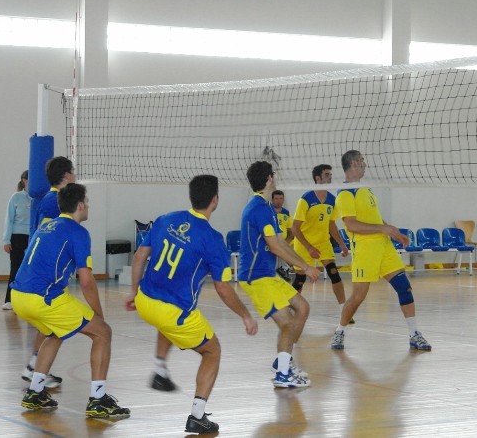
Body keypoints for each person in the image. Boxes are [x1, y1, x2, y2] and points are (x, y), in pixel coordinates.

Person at [124, 174, 258, 433]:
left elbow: (140, 256)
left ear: (191, 196)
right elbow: (223, 288)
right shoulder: (213, 239)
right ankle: (197, 416)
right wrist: (245, 315)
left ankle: (160, 371)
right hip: (173, 312)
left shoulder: (165, 219)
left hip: (145, 301)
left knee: (166, 321)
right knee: (212, 351)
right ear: (215, 200)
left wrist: (133, 292)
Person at [11, 183, 129, 418]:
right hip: (43, 297)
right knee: (103, 333)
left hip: (18, 296)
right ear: (81, 205)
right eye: (88, 202)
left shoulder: (46, 226)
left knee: (56, 333)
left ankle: (35, 392)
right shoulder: (77, 232)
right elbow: (86, 282)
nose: (89, 206)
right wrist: (99, 316)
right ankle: (98, 400)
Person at [331, 150, 432, 351]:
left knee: (404, 287)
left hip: (384, 247)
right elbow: (351, 225)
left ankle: (414, 334)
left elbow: (375, 219)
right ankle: (339, 332)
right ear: (354, 163)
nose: (365, 164)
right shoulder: (345, 193)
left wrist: (393, 231)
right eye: (362, 160)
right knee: (358, 297)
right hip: (365, 250)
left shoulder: (365, 189)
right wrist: (381, 229)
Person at [239, 161, 320, 388]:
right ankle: (283, 375)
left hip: (268, 274)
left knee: (302, 308)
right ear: (269, 178)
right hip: (256, 277)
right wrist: (306, 268)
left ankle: (283, 362)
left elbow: (281, 243)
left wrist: (303, 264)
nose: (275, 178)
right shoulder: (258, 208)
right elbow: (274, 247)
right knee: (286, 323)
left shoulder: (266, 208)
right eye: (273, 175)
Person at [20, 157, 73, 387]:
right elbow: (48, 234)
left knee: (48, 326)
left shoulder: (53, 199)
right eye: (73, 171)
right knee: (56, 326)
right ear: (66, 175)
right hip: (47, 273)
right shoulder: (54, 201)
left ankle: (34, 367)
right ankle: (36, 372)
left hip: (50, 271)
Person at [291, 164, 352, 322]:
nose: (330, 177)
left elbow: (331, 224)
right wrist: (309, 247)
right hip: (304, 244)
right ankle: (291, 309)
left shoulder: (332, 200)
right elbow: (295, 228)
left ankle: (344, 310)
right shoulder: (306, 199)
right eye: (327, 175)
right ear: (317, 178)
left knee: (334, 273)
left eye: (330, 174)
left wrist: (342, 244)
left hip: (323, 243)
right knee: (300, 279)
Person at [2, 171, 31, 309]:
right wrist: (6, 240)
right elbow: (9, 219)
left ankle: (29, 300)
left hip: (34, 236)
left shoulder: (39, 198)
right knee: (16, 268)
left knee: (32, 269)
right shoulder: (16, 197)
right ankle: (10, 299)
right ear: (24, 180)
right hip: (18, 237)